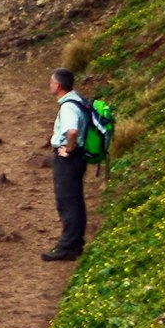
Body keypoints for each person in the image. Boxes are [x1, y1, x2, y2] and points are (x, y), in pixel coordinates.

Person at [46, 65, 94, 260]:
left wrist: (69, 149)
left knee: (67, 203)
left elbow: (71, 131)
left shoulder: (68, 107)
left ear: (57, 85)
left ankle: (67, 248)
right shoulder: (78, 100)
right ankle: (75, 244)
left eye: (51, 82)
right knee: (75, 201)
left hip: (69, 159)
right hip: (79, 157)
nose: (49, 85)